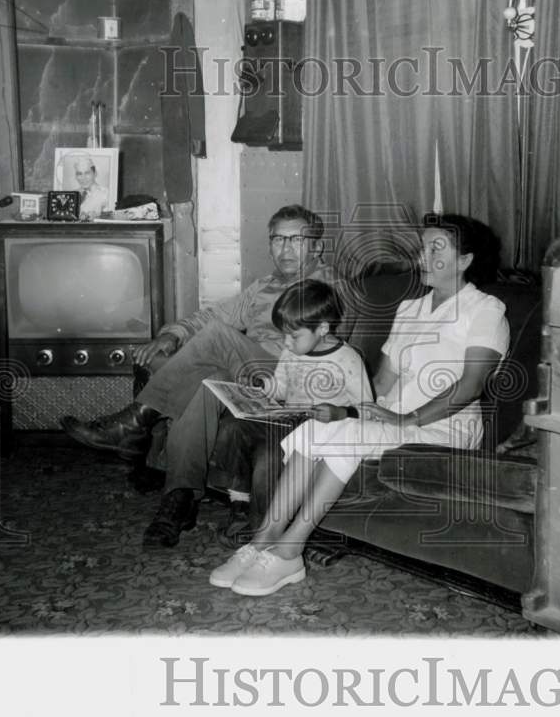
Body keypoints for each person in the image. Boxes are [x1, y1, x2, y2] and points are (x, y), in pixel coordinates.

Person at [211, 213, 511, 597]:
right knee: (316, 426)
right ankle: (264, 539)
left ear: (465, 260)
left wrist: (406, 418)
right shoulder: (410, 309)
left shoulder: (487, 310)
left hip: (444, 427)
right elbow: (382, 382)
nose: (424, 255)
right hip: (393, 419)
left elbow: (469, 387)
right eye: (423, 246)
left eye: (437, 247)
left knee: (345, 437)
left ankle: (290, 551)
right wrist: (352, 411)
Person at [60, 204, 339, 546]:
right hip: (250, 376)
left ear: (317, 246)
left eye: (297, 240)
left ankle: (136, 420)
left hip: (292, 379)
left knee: (220, 337)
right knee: (207, 383)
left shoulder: (329, 286)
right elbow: (213, 315)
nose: (285, 249)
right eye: (278, 239)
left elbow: (329, 352)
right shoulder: (262, 286)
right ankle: (180, 498)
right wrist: (173, 334)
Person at [210, 278, 372, 562]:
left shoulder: (348, 359)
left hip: (318, 434)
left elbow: (368, 408)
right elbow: (281, 388)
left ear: (322, 329)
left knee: (270, 454)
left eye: (293, 336)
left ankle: (264, 530)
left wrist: (339, 412)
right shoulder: (292, 351)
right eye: (283, 335)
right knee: (231, 426)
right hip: (286, 421)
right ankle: (239, 501)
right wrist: (263, 387)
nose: (286, 343)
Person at [70, 154, 109, 219]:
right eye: (79, 174)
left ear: (95, 173)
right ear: (76, 176)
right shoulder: (72, 194)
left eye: (87, 173)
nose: (83, 178)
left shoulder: (106, 194)